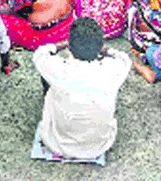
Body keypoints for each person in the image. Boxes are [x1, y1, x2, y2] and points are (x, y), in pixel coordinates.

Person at [33, 17, 131, 159]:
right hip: (101, 144)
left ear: (70, 47)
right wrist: (106, 50)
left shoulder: (58, 69)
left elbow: (40, 54)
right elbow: (124, 58)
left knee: (48, 82)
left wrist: (62, 45)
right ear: (99, 46)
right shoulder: (113, 69)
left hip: (58, 144)